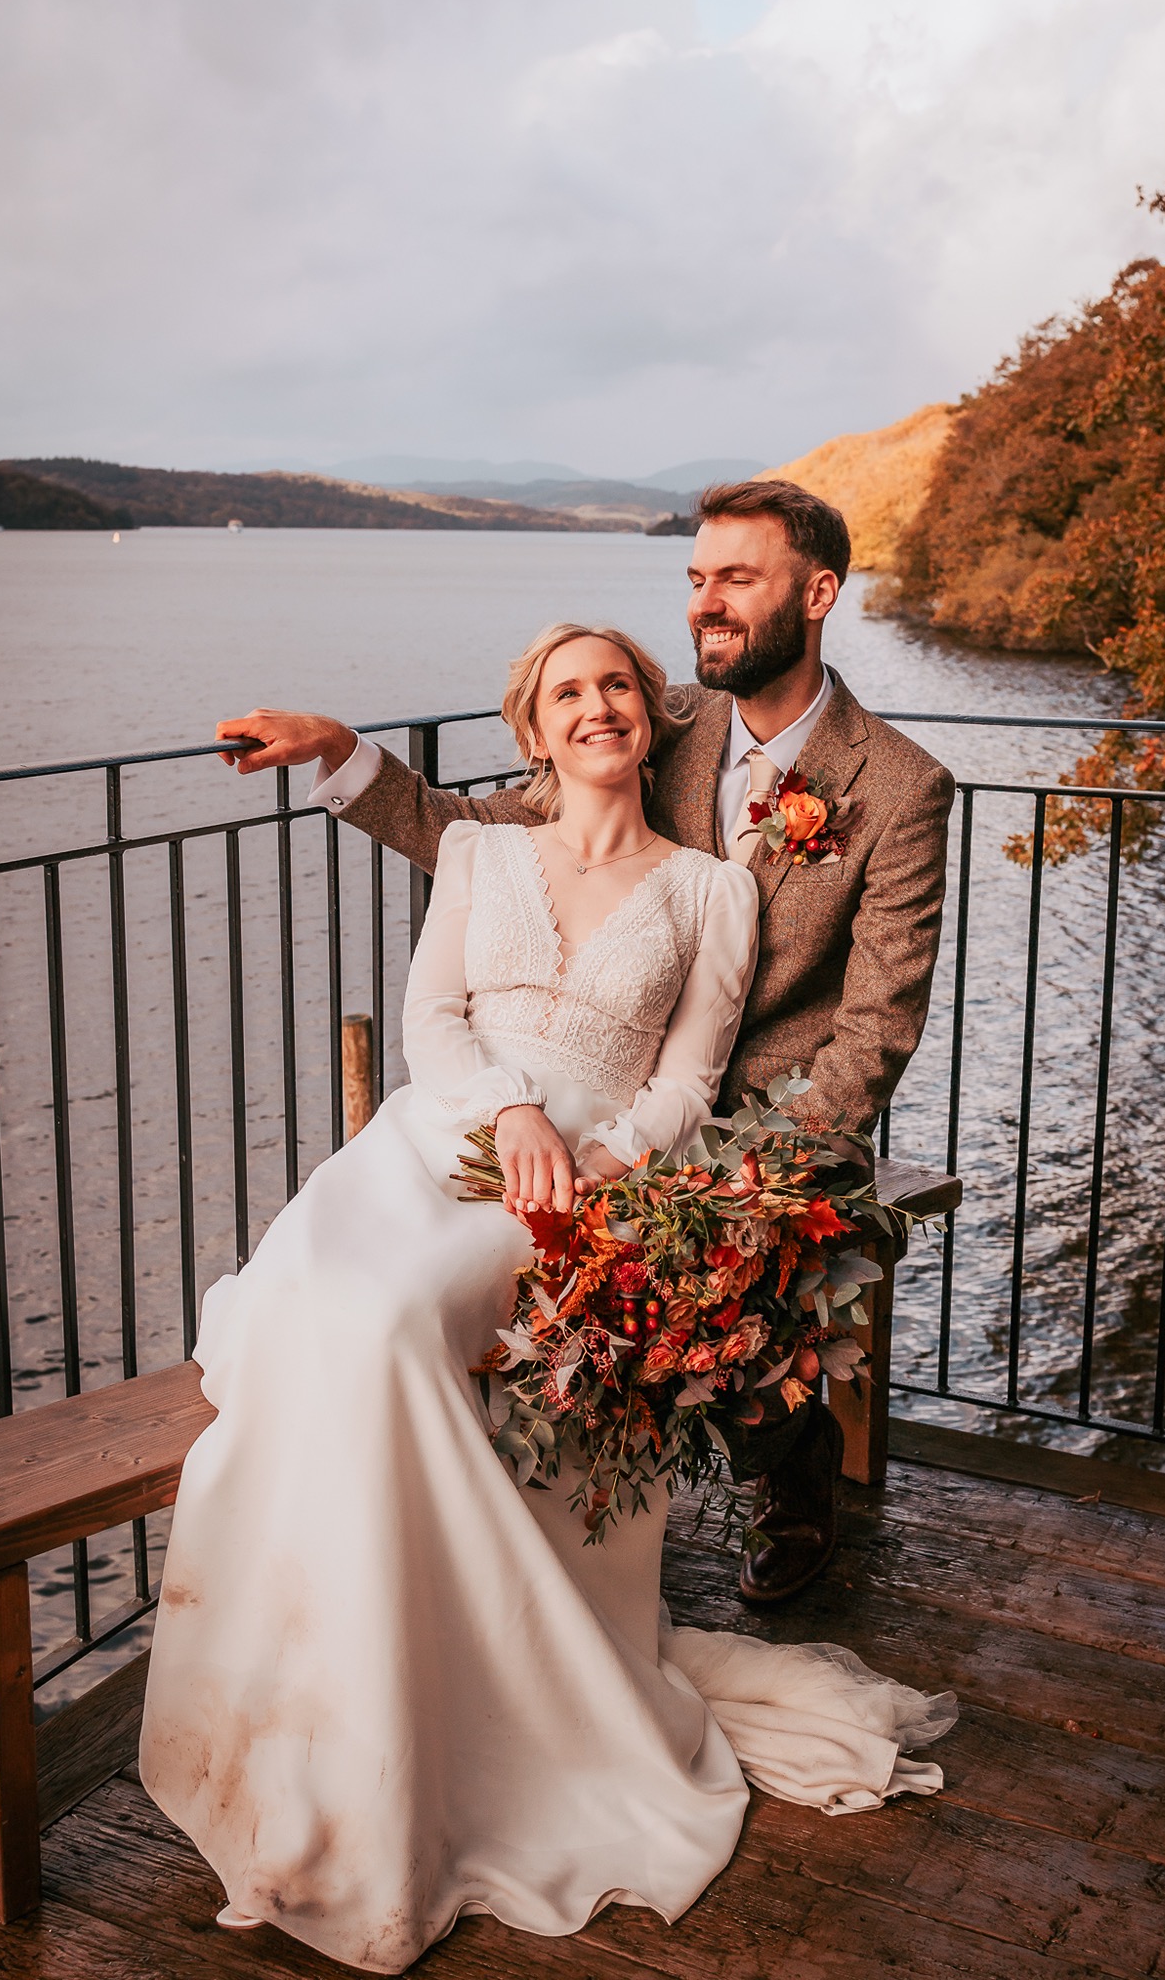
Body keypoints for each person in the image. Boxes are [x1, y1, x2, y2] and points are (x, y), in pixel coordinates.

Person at [142, 624, 955, 1974]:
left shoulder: (709, 888)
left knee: (396, 1328)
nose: (599, 707)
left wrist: (598, 1164)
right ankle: (322, 1701)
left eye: (619, 686)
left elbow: (689, 1079)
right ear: (532, 731)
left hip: (582, 1182)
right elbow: (430, 1024)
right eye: (568, 692)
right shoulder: (475, 850)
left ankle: (436, 1703)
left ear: (653, 717)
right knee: (331, 1315)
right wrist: (508, 1110)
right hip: (435, 1140)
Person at [217, 478, 956, 1604]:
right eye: (696, 579)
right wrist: (343, 751)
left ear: (817, 593)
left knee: (724, 1262)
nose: (705, 602)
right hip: (595, 1092)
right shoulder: (664, 723)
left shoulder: (900, 786)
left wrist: (740, 1163)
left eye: (736, 580)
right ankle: (481, 1552)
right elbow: (497, 838)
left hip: (769, 1115)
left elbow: (875, 1025)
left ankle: (788, 1489)